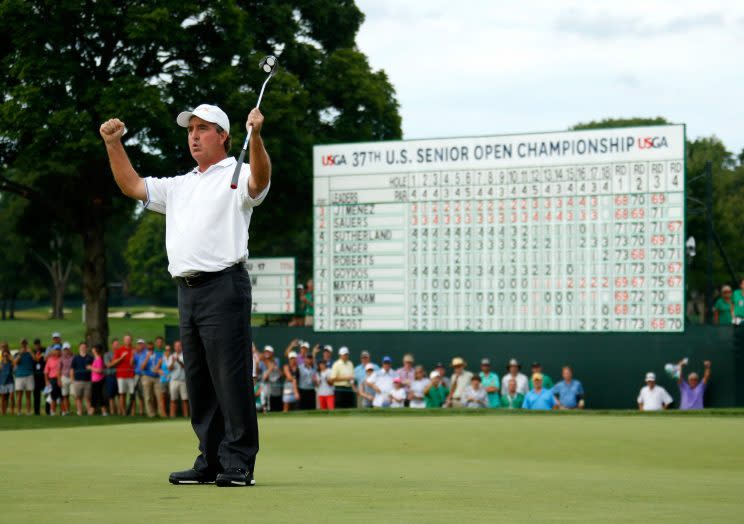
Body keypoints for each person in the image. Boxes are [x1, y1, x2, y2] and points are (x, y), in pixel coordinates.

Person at [101, 100, 270, 487]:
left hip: (225, 286)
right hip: (188, 290)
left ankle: (239, 462)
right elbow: (132, 185)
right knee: (199, 381)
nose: (193, 136)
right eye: (190, 130)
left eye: (202, 129)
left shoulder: (239, 172)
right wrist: (113, 144)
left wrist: (256, 137)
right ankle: (209, 461)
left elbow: (259, 182)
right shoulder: (180, 185)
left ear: (224, 136)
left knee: (231, 378)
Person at [140, 340, 164, 418]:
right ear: (147, 348)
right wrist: (147, 357)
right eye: (149, 348)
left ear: (153, 348)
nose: (150, 350)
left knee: (159, 396)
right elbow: (142, 367)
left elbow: (160, 365)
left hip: (156, 377)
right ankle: (151, 414)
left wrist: (158, 368)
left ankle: (161, 413)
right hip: (147, 377)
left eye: (151, 348)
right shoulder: (143, 355)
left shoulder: (158, 355)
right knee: (148, 397)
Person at [70, 342, 94, 416]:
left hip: (88, 381)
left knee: (88, 398)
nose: (83, 348)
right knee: (78, 398)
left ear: (86, 348)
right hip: (77, 381)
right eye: (82, 347)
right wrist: (72, 379)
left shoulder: (90, 358)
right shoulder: (75, 358)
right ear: (79, 348)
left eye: (84, 347)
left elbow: (93, 369)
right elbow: (72, 369)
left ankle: (89, 412)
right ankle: (80, 412)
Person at [13, 339, 35, 415]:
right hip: (19, 376)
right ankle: (19, 412)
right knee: (19, 396)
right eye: (22, 344)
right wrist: (20, 354)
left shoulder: (30, 353)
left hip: (29, 375)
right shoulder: (17, 353)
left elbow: (35, 359)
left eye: (25, 344)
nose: (24, 345)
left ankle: (28, 412)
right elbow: (15, 362)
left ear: (27, 344)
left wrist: (31, 352)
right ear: (21, 344)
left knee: (28, 395)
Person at [168, 340, 189, 418]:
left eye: (179, 346)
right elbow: (169, 369)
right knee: (173, 399)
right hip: (174, 381)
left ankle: (186, 416)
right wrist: (173, 362)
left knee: (185, 399)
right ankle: (172, 416)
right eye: (176, 346)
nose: (178, 347)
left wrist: (178, 361)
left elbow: (185, 366)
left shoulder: (185, 355)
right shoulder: (171, 356)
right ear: (174, 347)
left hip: (183, 380)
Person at [260, 346, 283, 413]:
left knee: (274, 401)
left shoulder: (276, 360)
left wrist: (272, 366)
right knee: (265, 398)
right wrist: (270, 368)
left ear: (272, 353)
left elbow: (279, 373)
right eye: (266, 351)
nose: (267, 353)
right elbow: (264, 377)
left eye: (268, 352)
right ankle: (265, 410)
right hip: (266, 384)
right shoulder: (261, 362)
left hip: (275, 385)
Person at [89, 344, 108, 416]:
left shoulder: (99, 359)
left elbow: (100, 370)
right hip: (95, 380)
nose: (92, 350)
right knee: (96, 395)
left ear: (96, 350)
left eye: (93, 348)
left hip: (98, 380)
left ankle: (100, 411)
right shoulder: (96, 359)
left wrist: (91, 368)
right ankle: (99, 411)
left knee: (97, 395)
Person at [44, 346, 62, 415]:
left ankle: (63, 412)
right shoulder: (50, 359)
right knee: (53, 397)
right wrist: (46, 381)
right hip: (52, 380)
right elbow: (46, 372)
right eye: (55, 350)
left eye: (58, 350)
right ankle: (52, 412)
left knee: (61, 397)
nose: (57, 351)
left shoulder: (61, 359)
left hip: (61, 379)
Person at [104, 339, 120, 415]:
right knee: (111, 396)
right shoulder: (107, 354)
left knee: (119, 395)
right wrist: (119, 360)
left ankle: (120, 411)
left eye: (118, 344)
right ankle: (112, 412)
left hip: (119, 376)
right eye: (115, 344)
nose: (117, 346)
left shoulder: (120, 353)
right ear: (112, 345)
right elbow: (108, 365)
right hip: (110, 376)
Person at [31, 339, 47, 415]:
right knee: (36, 395)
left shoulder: (45, 350)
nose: (37, 346)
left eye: (38, 344)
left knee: (46, 394)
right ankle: (36, 412)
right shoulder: (32, 352)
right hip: (35, 376)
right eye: (36, 344)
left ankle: (48, 411)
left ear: (40, 344)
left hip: (43, 375)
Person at [59, 343, 74, 416]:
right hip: (64, 377)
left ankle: (78, 410)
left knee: (74, 394)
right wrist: (59, 380)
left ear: (69, 349)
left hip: (72, 378)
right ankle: (67, 411)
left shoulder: (73, 357)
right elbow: (59, 370)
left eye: (67, 349)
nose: (66, 351)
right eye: (64, 349)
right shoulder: (61, 358)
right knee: (65, 395)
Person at [0, 346, 15, 415]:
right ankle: (3, 412)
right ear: (2, 355)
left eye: (6, 355)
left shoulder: (10, 363)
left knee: (11, 397)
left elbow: (15, 364)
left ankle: (12, 411)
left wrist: (10, 358)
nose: (5, 356)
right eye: (4, 355)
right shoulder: (1, 364)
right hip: (2, 382)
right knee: (3, 398)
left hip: (10, 381)